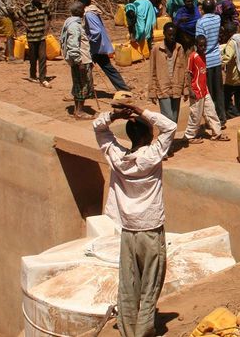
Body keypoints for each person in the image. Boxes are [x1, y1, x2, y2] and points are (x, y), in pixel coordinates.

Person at [92, 102, 175, 337]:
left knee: (128, 283)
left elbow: (98, 128)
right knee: (150, 284)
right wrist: (140, 110)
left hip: (128, 231)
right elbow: (169, 127)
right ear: (150, 135)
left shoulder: (117, 158)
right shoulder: (152, 156)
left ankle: (128, 330)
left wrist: (114, 115)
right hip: (151, 230)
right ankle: (144, 331)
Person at [79, 0, 131, 93]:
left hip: (95, 47)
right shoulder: (93, 12)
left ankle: (82, 92)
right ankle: (123, 88)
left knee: (84, 69)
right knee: (107, 68)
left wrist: (87, 40)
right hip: (99, 46)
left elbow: (96, 31)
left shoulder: (89, 14)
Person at [184, 35, 228, 144]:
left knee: (211, 111)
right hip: (196, 91)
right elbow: (188, 74)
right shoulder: (192, 57)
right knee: (196, 115)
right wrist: (190, 90)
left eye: (204, 46)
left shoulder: (204, 56)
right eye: (200, 46)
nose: (203, 48)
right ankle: (189, 136)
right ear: (196, 45)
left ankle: (217, 133)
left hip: (204, 89)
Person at [148, 22, 190, 129]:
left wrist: (185, 89)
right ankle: (167, 143)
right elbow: (152, 71)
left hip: (177, 86)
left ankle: (170, 143)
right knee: (168, 118)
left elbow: (184, 69)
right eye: (169, 34)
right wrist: (152, 91)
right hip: (162, 87)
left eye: (174, 35)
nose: (172, 37)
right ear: (164, 34)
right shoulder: (156, 49)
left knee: (174, 118)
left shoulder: (179, 48)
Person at [60, 2, 94, 120]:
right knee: (82, 85)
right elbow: (73, 44)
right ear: (80, 11)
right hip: (81, 60)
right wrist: (79, 61)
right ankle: (79, 111)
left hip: (82, 59)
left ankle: (77, 110)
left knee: (78, 84)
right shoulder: (74, 26)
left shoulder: (72, 22)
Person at [196, 0, 226, 125]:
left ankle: (212, 121)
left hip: (206, 61)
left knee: (208, 93)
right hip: (216, 59)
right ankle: (222, 118)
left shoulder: (200, 22)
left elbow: (199, 41)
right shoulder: (217, 19)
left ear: (203, 9)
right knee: (219, 90)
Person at [18, 0, 50, 88]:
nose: (38, 1)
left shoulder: (44, 6)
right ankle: (32, 75)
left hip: (41, 37)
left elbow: (49, 16)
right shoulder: (27, 7)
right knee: (33, 58)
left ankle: (42, 78)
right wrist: (25, 25)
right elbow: (18, 15)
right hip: (31, 37)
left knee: (43, 57)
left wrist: (47, 26)